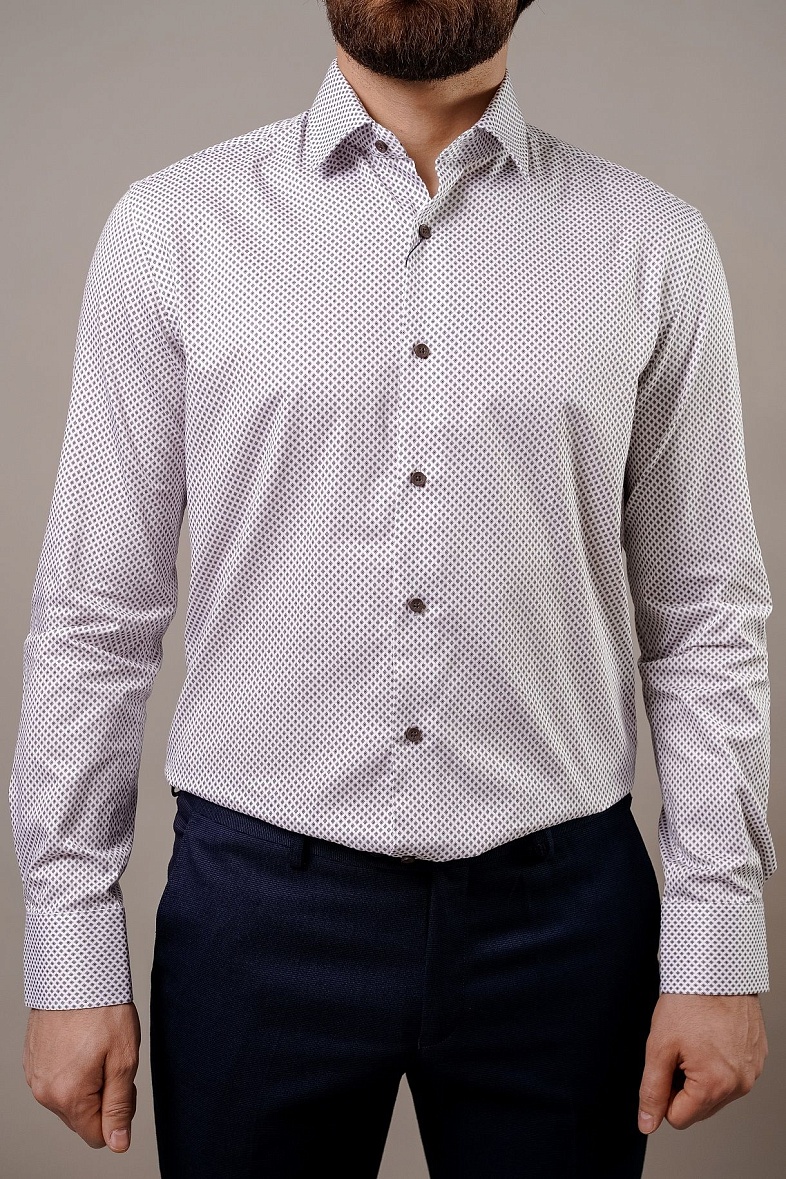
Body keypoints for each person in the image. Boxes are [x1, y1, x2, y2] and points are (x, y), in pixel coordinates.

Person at [11, 1, 774, 1176]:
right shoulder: (175, 230)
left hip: (563, 922)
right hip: (257, 916)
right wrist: (71, 950)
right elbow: (94, 617)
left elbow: (705, 615)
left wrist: (718, 944)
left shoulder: (650, 245)